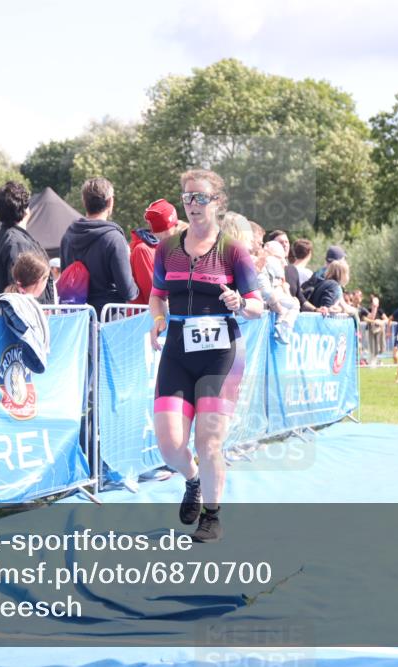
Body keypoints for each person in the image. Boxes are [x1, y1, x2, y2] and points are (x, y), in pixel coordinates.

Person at [147, 169, 263, 543]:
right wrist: (158, 319)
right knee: (169, 444)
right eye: (187, 197)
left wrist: (240, 301)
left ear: (217, 203)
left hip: (220, 355)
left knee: (208, 441)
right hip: (178, 351)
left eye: (200, 198)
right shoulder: (166, 249)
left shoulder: (233, 251)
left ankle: (211, 517)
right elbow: (156, 295)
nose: (192, 204)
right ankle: (193, 481)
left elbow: (258, 306)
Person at [60, 177, 138, 314]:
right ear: (110, 202)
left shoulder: (67, 237)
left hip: (78, 320)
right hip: (109, 321)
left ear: (84, 202)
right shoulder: (114, 239)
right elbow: (127, 291)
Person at [0, 181, 55, 304]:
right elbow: (23, 289)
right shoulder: (19, 244)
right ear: (26, 210)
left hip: (0, 317)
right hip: (20, 317)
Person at [130, 199, 180, 305]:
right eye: (174, 225)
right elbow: (154, 295)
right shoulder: (143, 251)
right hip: (145, 318)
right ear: (166, 229)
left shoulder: (169, 249)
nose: (177, 228)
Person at [362, 294, 388, 367]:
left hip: (379, 331)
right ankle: (371, 362)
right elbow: (364, 318)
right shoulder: (368, 310)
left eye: (376, 304)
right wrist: (373, 321)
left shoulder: (380, 311)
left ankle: (378, 361)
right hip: (370, 331)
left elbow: (386, 319)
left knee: (381, 347)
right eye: (373, 304)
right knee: (372, 347)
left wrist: (381, 321)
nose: (375, 306)